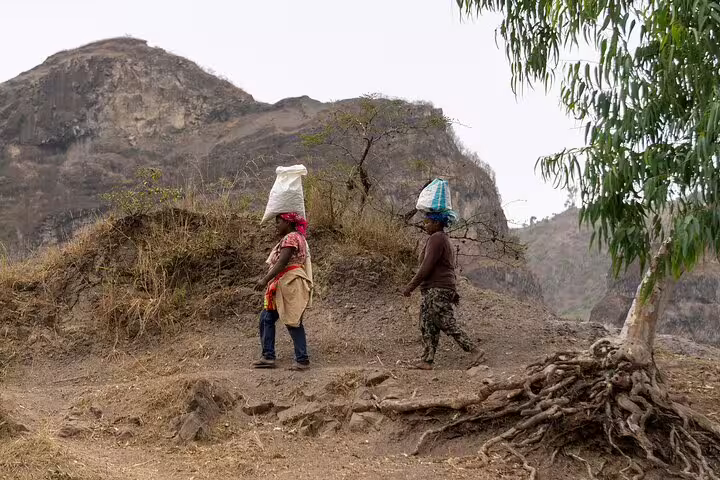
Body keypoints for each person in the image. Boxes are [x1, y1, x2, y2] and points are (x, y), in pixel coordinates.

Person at [402, 211, 484, 370]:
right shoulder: (441, 239)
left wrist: (410, 286)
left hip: (437, 288)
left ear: (437, 223)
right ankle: (427, 360)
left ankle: (475, 350)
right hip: (436, 287)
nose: (425, 225)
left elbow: (427, 266)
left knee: (445, 322)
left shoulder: (437, 238)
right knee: (427, 323)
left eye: (427, 222)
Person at [253, 212, 313, 371]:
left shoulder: (291, 238)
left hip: (289, 282)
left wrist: (264, 279)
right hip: (287, 282)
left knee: (292, 319)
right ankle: (268, 356)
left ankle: (302, 360)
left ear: (288, 222)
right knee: (266, 317)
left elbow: (281, 262)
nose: (276, 225)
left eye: (278, 222)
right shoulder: (298, 237)